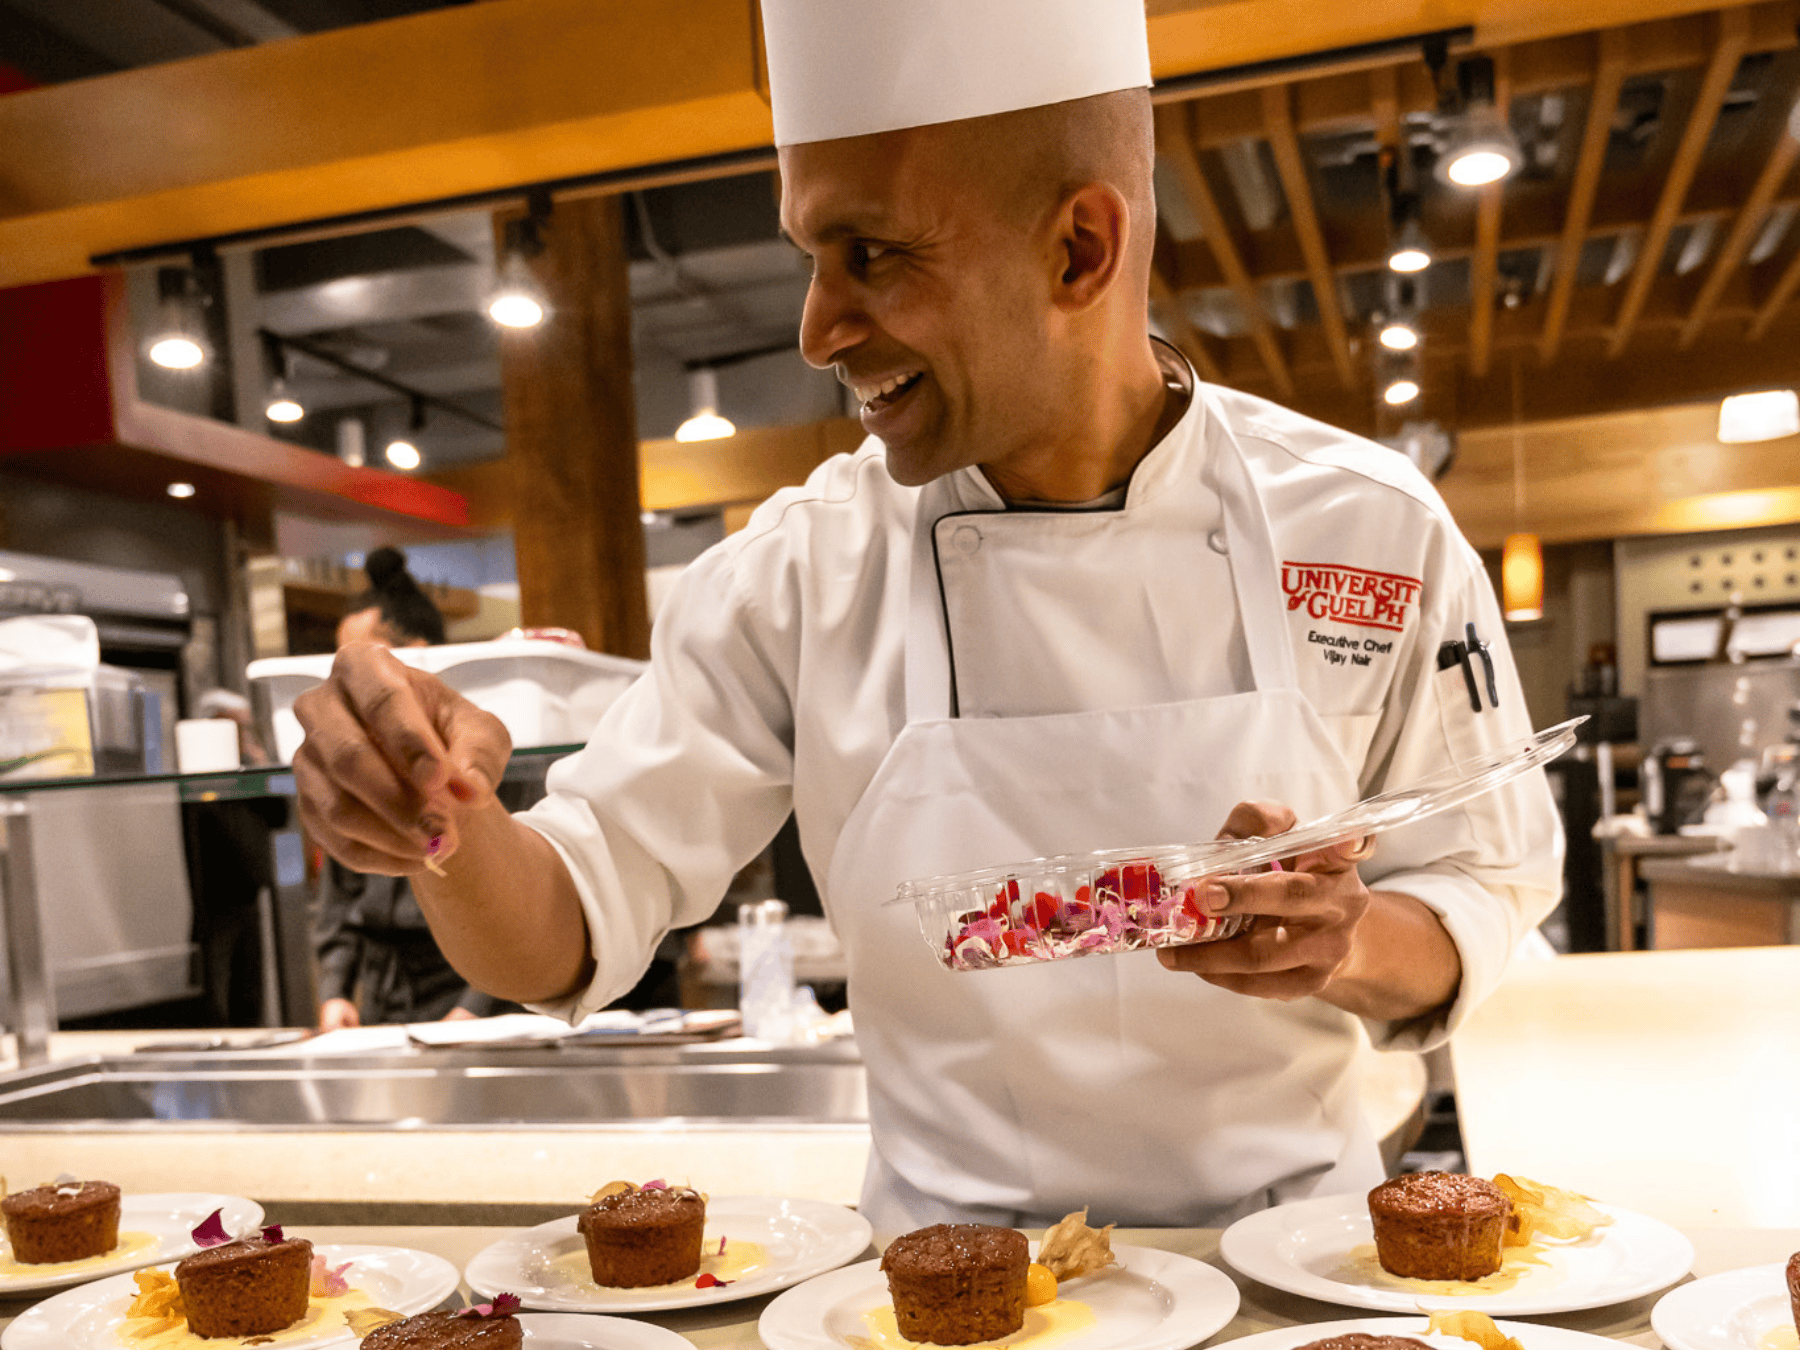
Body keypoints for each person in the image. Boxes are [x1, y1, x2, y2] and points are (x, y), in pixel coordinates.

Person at [291, 0, 1561, 1229]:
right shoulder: (799, 573)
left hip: (1288, 1270)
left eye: (873, 255)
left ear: (1080, 249)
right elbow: (569, 916)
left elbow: (1484, 891)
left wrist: (1344, 939)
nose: (815, 329)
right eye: (810, 259)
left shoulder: (1368, 528)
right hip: (935, 1292)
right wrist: (442, 822)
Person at [311, 547, 513, 1030]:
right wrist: (336, 991)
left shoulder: (478, 755)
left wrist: (475, 1008)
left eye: (360, 664)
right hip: (382, 994)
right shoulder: (357, 764)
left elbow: (514, 909)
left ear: (417, 657)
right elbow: (341, 896)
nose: (348, 682)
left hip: (468, 985)